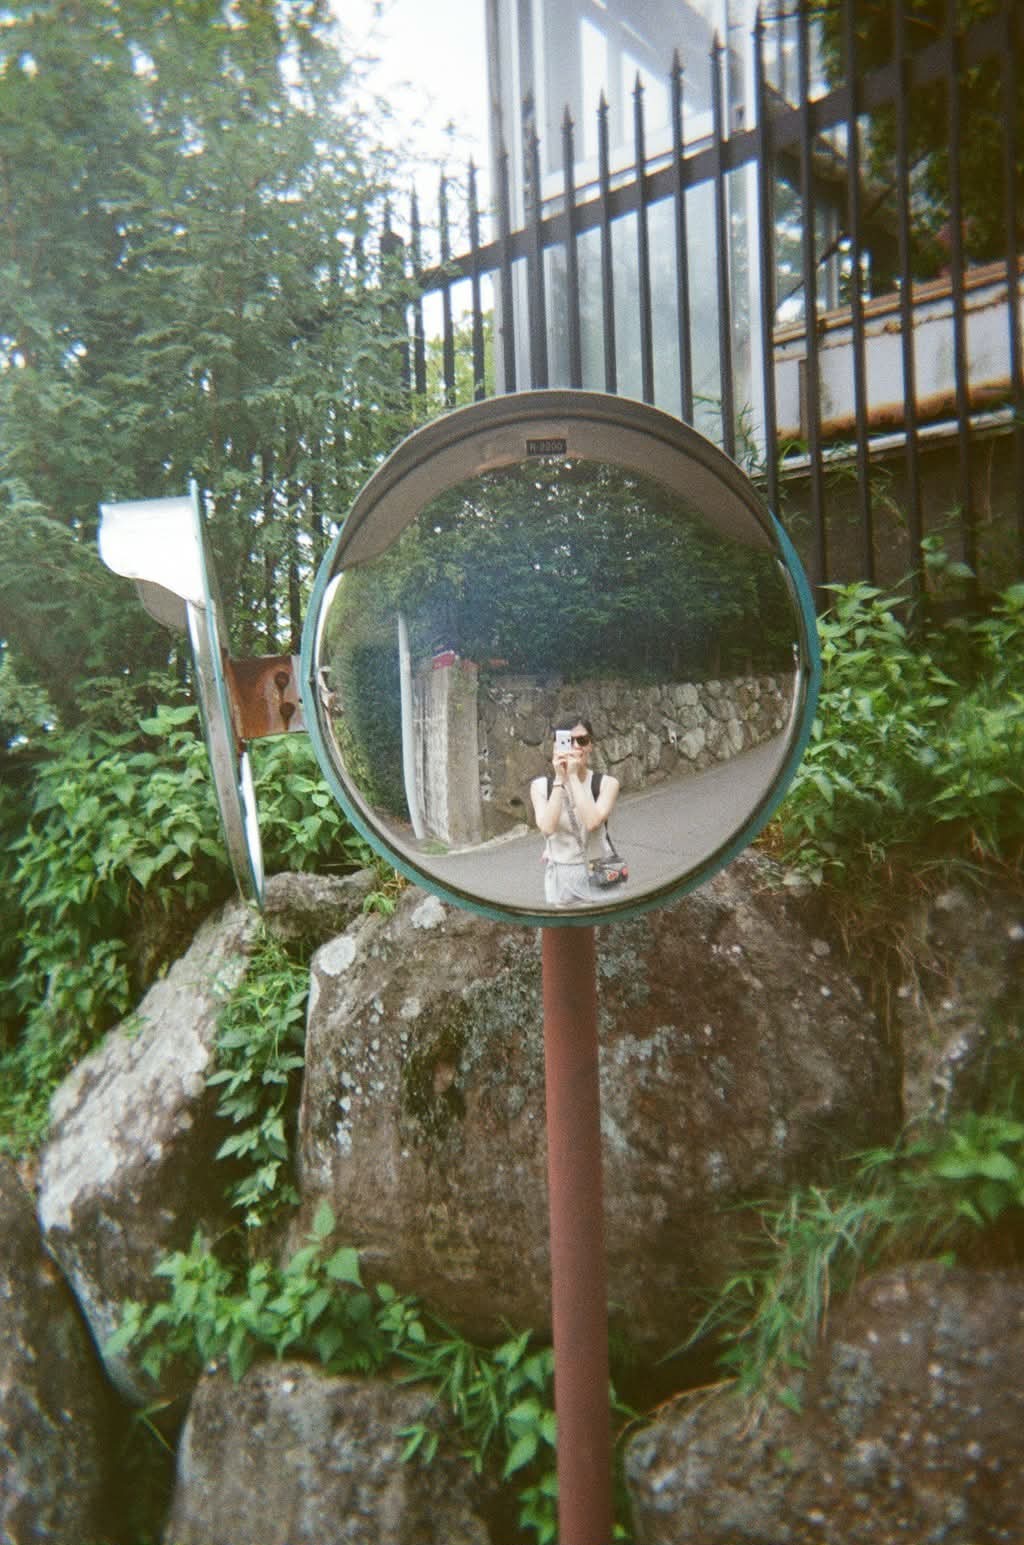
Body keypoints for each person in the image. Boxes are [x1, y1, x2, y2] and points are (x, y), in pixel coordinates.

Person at [530, 715, 620, 906]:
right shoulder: (541, 787)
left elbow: (592, 822)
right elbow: (547, 828)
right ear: (557, 746)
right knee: (564, 925)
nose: (577, 746)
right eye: (569, 741)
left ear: (590, 745)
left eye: (583, 740)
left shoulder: (606, 784)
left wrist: (572, 776)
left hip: (598, 872)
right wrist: (560, 779)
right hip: (561, 878)